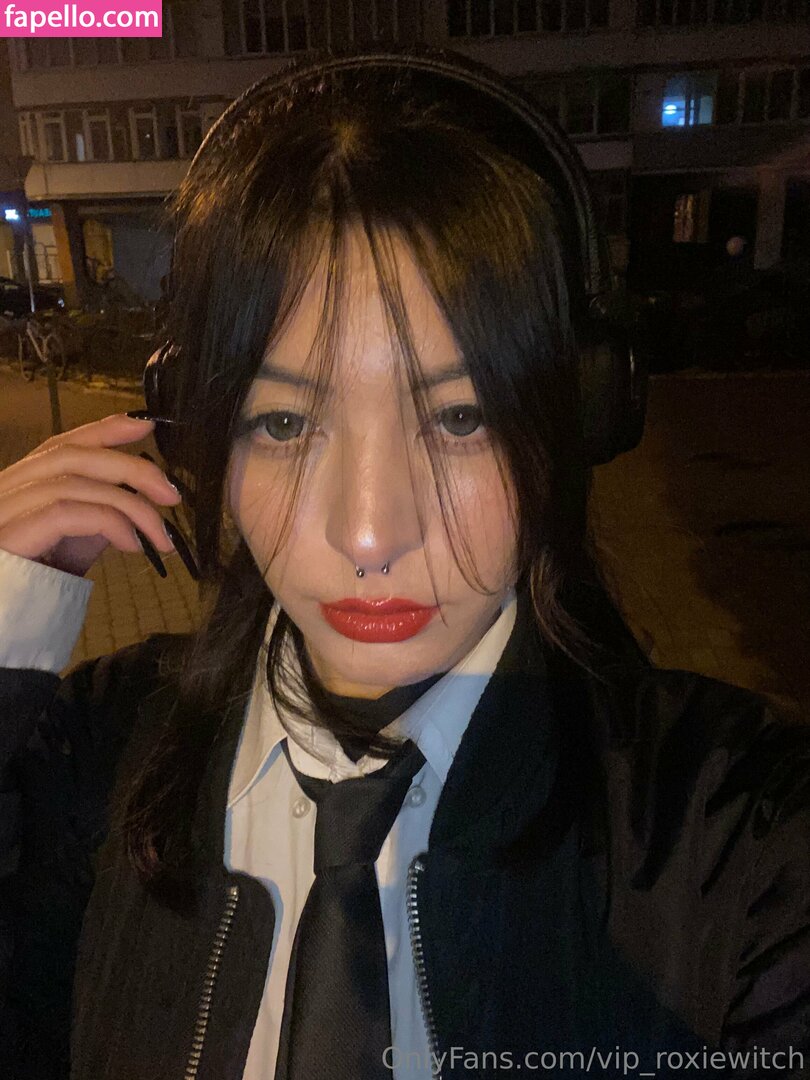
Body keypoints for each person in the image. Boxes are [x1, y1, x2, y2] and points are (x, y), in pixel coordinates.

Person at [1, 51, 809, 1080]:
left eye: (460, 417)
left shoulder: (740, 833)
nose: (371, 534)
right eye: (285, 422)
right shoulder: (97, 755)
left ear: (578, 417)